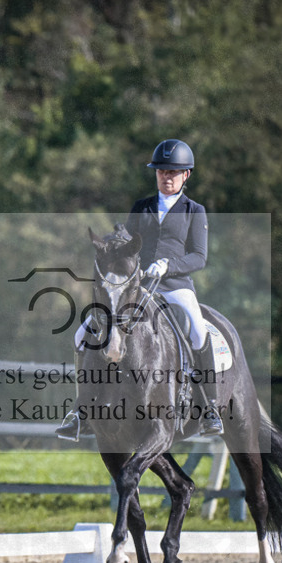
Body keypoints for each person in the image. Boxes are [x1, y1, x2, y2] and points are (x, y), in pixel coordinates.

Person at [56, 138, 224, 440]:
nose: (166, 176)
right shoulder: (141, 207)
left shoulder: (194, 211)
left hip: (175, 286)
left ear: (186, 175)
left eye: (173, 172)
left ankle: (209, 406)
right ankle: (81, 410)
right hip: (137, 287)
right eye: (161, 171)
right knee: (81, 334)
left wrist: (167, 266)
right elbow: (127, 240)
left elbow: (199, 256)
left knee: (197, 329)